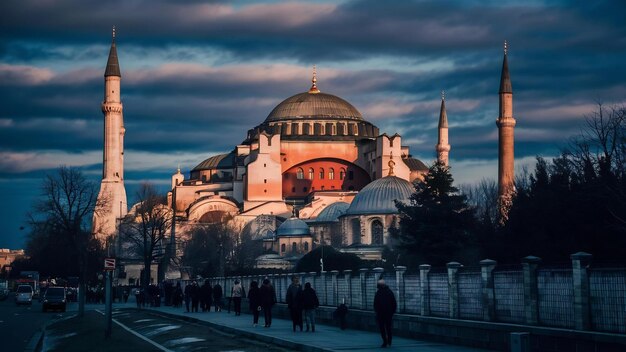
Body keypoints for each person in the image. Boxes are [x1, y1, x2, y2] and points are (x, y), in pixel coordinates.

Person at [373, 279, 397, 348]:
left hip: (380, 314)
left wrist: (377, 311)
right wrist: (392, 312)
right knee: (388, 328)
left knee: (382, 328)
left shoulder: (378, 293)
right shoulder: (390, 292)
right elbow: (394, 303)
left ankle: (385, 342)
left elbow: (375, 304)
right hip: (388, 314)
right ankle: (389, 341)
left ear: (379, 285)